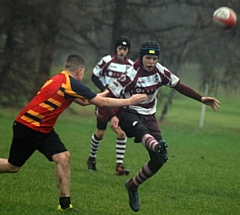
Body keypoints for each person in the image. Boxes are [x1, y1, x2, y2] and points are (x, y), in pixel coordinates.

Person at [0, 54, 147, 211]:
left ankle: (65, 205)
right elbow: (101, 102)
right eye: (82, 73)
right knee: (12, 166)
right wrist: (130, 101)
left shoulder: (59, 79)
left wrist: (110, 90)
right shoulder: (71, 84)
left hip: (42, 128)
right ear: (79, 71)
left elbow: (85, 101)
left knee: (63, 157)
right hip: (28, 127)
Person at [106, 41, 220, 212]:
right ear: (141, 57)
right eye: (148, 58)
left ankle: (132, 185)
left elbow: (179, 86)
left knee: (160, 159)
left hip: (149, 116)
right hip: (127, 113)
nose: (151, 62)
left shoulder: (160, 71)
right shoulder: (131, 74)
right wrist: (113, 115)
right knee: (141, 131)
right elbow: (109, 95)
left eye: (154, 58)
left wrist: (201, 98)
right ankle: (156, 145)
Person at [86, 36, 134, 175]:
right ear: (116, 49)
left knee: (121, 132)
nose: (122, 51)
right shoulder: (106, 61)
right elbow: (94, 76)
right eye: (120, 48)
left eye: (125, 49)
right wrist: (103, 91)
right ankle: (92, 158)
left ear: (128, 51)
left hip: (119, 103)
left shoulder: (130, 66)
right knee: (100, 133)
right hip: (104, 101)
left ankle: (119, 166)